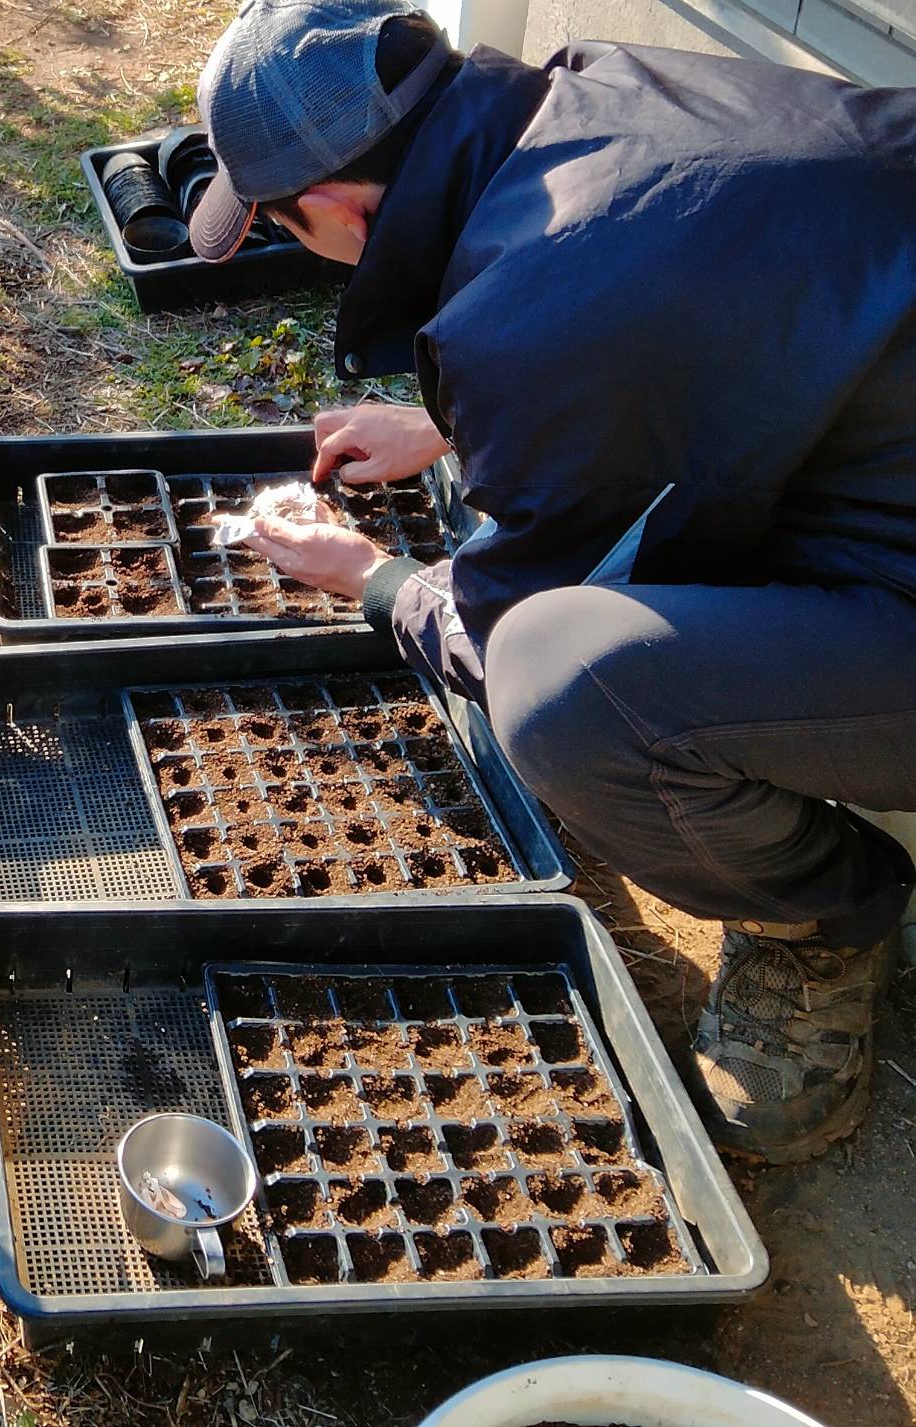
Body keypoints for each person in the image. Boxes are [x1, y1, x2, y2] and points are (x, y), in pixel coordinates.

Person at [188, 0, 916, 1165]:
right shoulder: (614, 95)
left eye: (275, 223)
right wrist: (449, 411)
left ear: (333, 208)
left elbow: (499, 626)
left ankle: (822, 921)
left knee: (563, 685)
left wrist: (370, 574)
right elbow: (712, 309)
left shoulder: (536, 327)